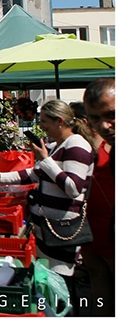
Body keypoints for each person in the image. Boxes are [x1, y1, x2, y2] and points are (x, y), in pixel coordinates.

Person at [0, 99, 94, 277]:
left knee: (60, 278)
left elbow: (73, 187)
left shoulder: (77, 145)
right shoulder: (57, 146)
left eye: (45, 121)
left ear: (60, 121)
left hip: (62, 230)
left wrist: (46, 160)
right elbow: (33, 174)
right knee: (48, 277)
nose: (42, 126)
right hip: (48, 228)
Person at [80, 78, 114, 317]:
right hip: (97, 231)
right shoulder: (102, 146)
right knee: (98, 280)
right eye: (95, 118)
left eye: (111, 114)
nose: (105, 125)